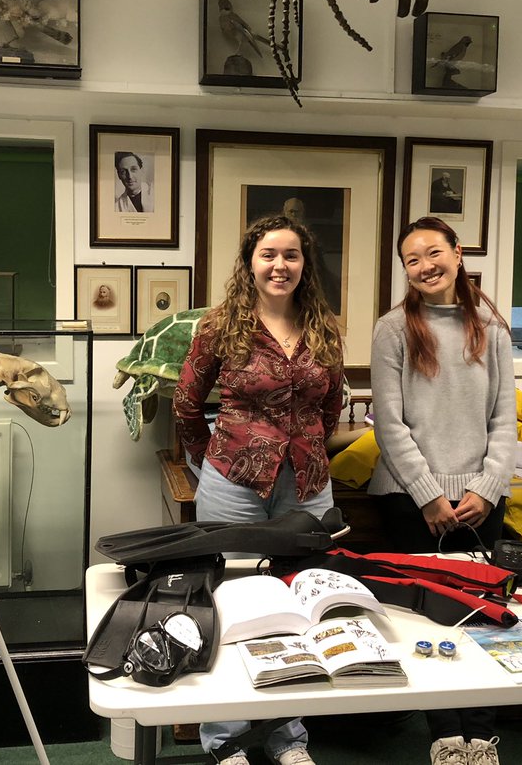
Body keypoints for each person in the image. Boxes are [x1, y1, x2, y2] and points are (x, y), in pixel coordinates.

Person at [173, 214, 344, 765]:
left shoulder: (324, 326)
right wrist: (211, 462)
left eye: (291, 255)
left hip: (308, 485)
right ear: (250, 261)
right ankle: (226, 740)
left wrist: (313, 447)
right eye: (269, 254)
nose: (280, 265)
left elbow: (331, 403)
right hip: (234, 483)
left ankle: (288, 736)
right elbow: (186, 405)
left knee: (300, 604)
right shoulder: (221, 324)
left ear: (304, 264)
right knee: (233, 605)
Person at [368, 216, 515, 765]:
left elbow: (504, 418)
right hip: (411, 502)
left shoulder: (492, 328)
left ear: (457, 253)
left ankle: (481, 735)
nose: (425, 266)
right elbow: (390, 423)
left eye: (434, 253)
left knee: (481, 615)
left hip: (483, 501)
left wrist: (489, 486)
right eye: (412, 259)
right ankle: (444, 737)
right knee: (425, 617)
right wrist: (428, 494)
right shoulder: (392, 329)